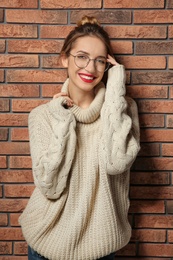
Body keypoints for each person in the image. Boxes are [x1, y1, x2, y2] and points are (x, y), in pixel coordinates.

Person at [19, 16, 140, 260]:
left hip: (101, 245)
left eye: (100, 61)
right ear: (65, 58)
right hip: (46, 244)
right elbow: (50, 187)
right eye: (81, 57)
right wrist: (63, 118)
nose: (90, 68)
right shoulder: (42, 116)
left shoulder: (122, 109)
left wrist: (116, 87)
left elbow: (116, 163)